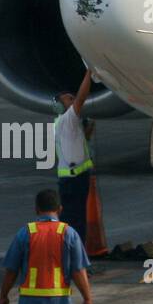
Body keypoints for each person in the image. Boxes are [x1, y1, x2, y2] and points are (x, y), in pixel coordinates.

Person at [0, 189, 93, 304]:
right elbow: (78, 272)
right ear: (60, 209)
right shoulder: (69, 233)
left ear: (36, 210)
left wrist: (3, 296)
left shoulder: (25, 233)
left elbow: (11, 270)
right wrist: (87, 299)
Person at [55, 69, 97, 244]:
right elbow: (81, 98)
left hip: (75, 178)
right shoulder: (67, 119)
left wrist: (90, 123)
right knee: (75, 223)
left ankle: (75, 256)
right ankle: (73, 259)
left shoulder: (69, 123)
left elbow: (83, 139)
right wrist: (90, 73)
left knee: (76, 220)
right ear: (59, 105)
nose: (72, 100)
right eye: (68, 99)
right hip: (73, 180)